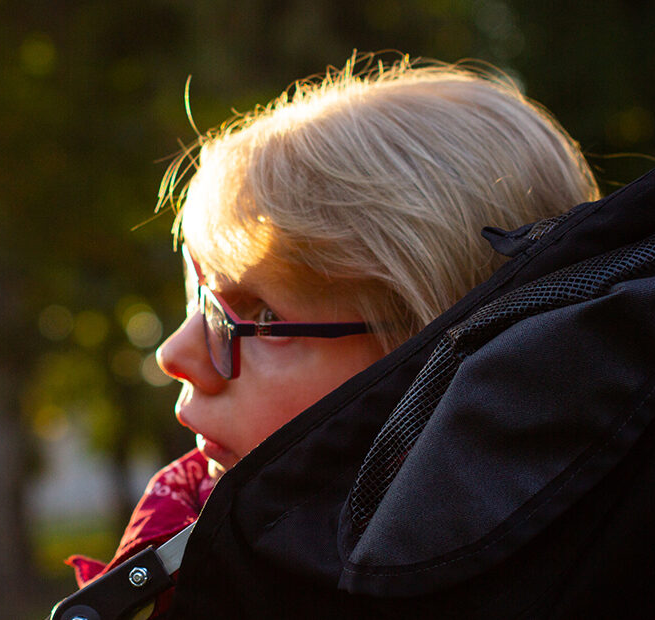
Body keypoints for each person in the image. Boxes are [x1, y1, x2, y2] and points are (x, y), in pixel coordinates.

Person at [65, 52, 601, 612]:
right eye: (200, 296)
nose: (174, 353)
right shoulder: (189, 538)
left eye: (263, 315)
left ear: (432, 363)